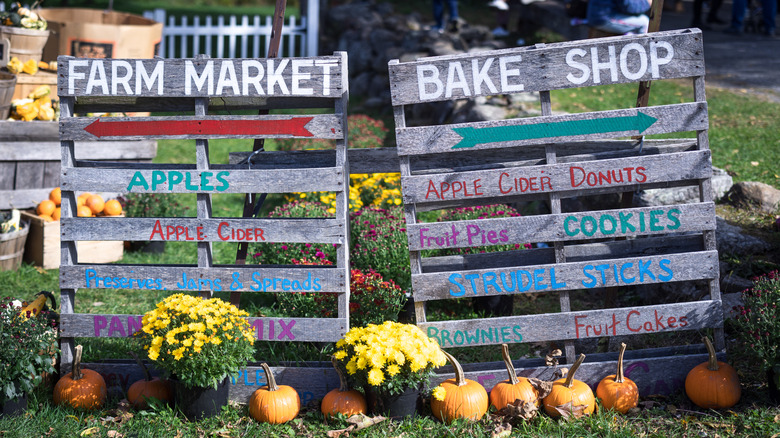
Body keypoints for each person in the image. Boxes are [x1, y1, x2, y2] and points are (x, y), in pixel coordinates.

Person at [586, 0, 652, 34]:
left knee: (640, 19)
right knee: (645, 22)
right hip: (604, 18)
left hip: (596, 17)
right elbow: (628, 7)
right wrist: (647, 3)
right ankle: (646, 50)